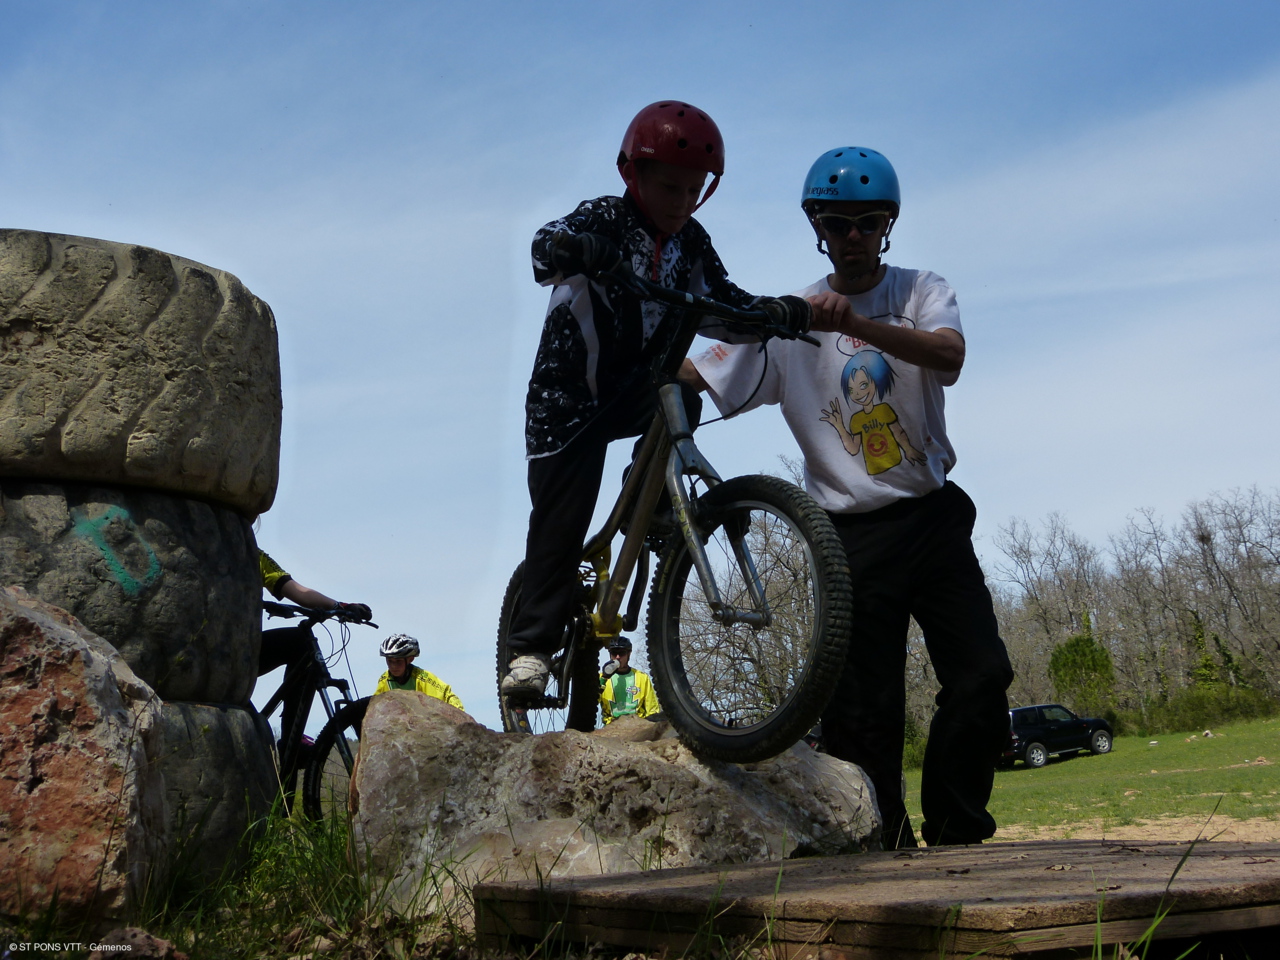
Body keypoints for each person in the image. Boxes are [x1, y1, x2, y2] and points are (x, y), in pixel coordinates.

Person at [683, 147, 1013, 849]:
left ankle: (956, 831)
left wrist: (854, 325)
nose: (853, 236)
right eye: (838, 223)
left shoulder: (919, 289)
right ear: (818, 228)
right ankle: (883, 846)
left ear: (888, 225)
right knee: (863, 710)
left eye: (868, 222)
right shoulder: (793, 319)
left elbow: (949, 355)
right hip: (849, 537)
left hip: (931, 517)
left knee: (982, 675)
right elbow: (703, 371)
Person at [501, 100, 811, 700]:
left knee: (683, 396)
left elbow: (725, 303)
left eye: (695, 190)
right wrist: (579, 250)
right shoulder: (605, 217)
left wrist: (773, 312)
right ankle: (530, 650)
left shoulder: (691, 241)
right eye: (670, 187)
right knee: (562, 524)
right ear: (632, 174)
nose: (682, 202)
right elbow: (543, 248)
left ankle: (657, 504)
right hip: (566, 405)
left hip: (635, 392)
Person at [258, 550, 372, 740]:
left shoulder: (255, 555)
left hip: (249, 645)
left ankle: (291, 739)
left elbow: (298, 592)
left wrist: (340, 606)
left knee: (301, 642)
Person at [373, 633, 465, 710]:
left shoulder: (424, 679)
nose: (393, 666)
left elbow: (448, 697)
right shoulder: (384, 680)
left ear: (410, 659)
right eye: (389, 661)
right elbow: (375, 705)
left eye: (398, 661)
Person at [598, 636, 659, 723]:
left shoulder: (642, 678)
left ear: (629, 654)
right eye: (614, 653)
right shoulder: (601, 678)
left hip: (638, 726)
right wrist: (604, 679)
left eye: (622, 653)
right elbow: (590, 704)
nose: (617, 657)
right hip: (611, 726)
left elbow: (652, 710)